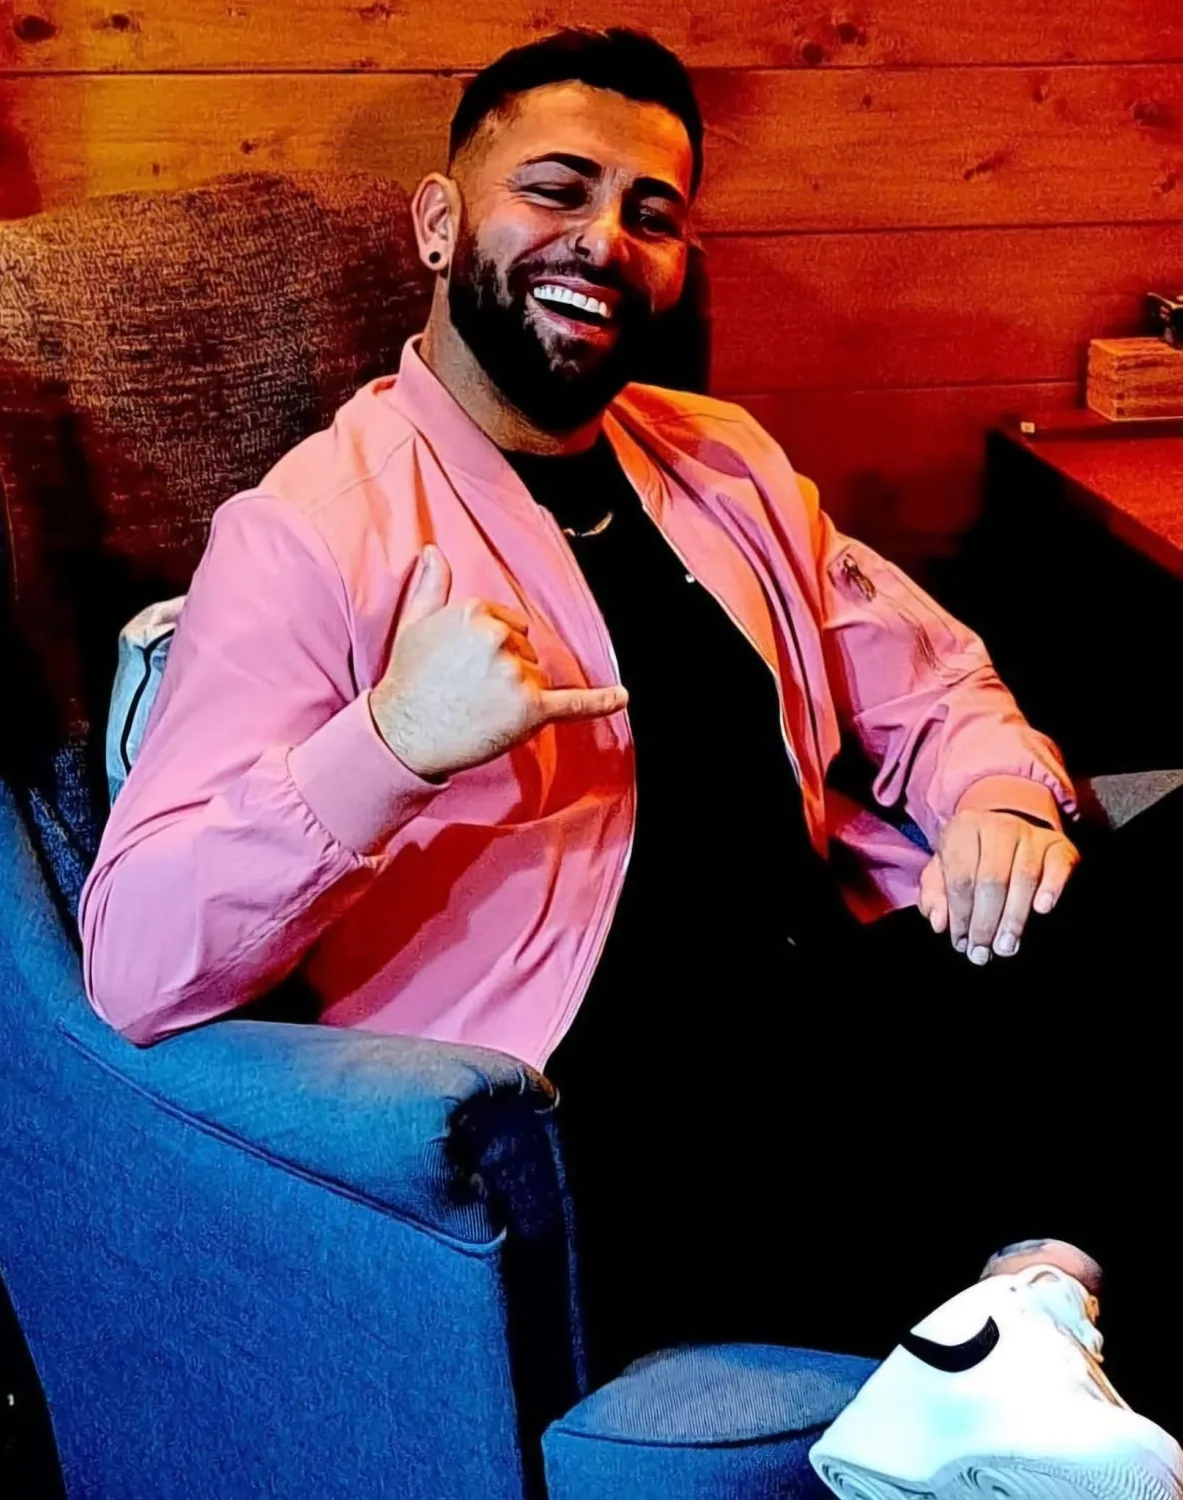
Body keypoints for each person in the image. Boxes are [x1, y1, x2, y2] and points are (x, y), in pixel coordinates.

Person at [78, 26, 1182, 1488]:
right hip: (600, 1117)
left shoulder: (718, 460)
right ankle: (1027, 1306)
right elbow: (137, 957)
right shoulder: (306, 534)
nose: (603, 240)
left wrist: (991, 794)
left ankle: (1021, 1320)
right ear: (437, 220)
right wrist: (388, 744)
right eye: (556, 188)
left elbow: (927, 678)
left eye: (650, 213)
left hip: (838, 1015)